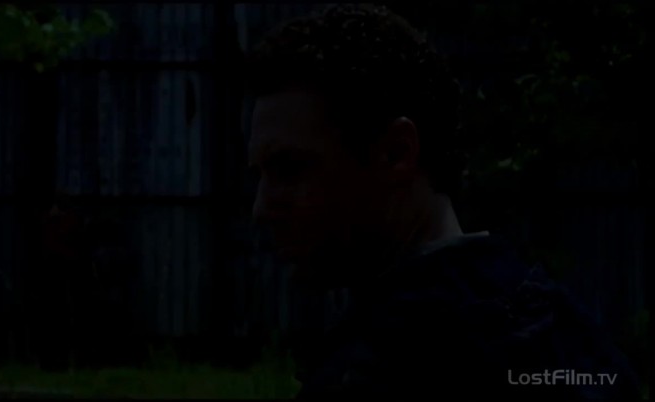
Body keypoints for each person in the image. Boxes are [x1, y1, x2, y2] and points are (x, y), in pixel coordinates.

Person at [245, 4, 642, 400]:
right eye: (260, 176)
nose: (261, 208)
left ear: (397, 154)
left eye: (290, 169)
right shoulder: (575, 341)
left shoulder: (394, 367)